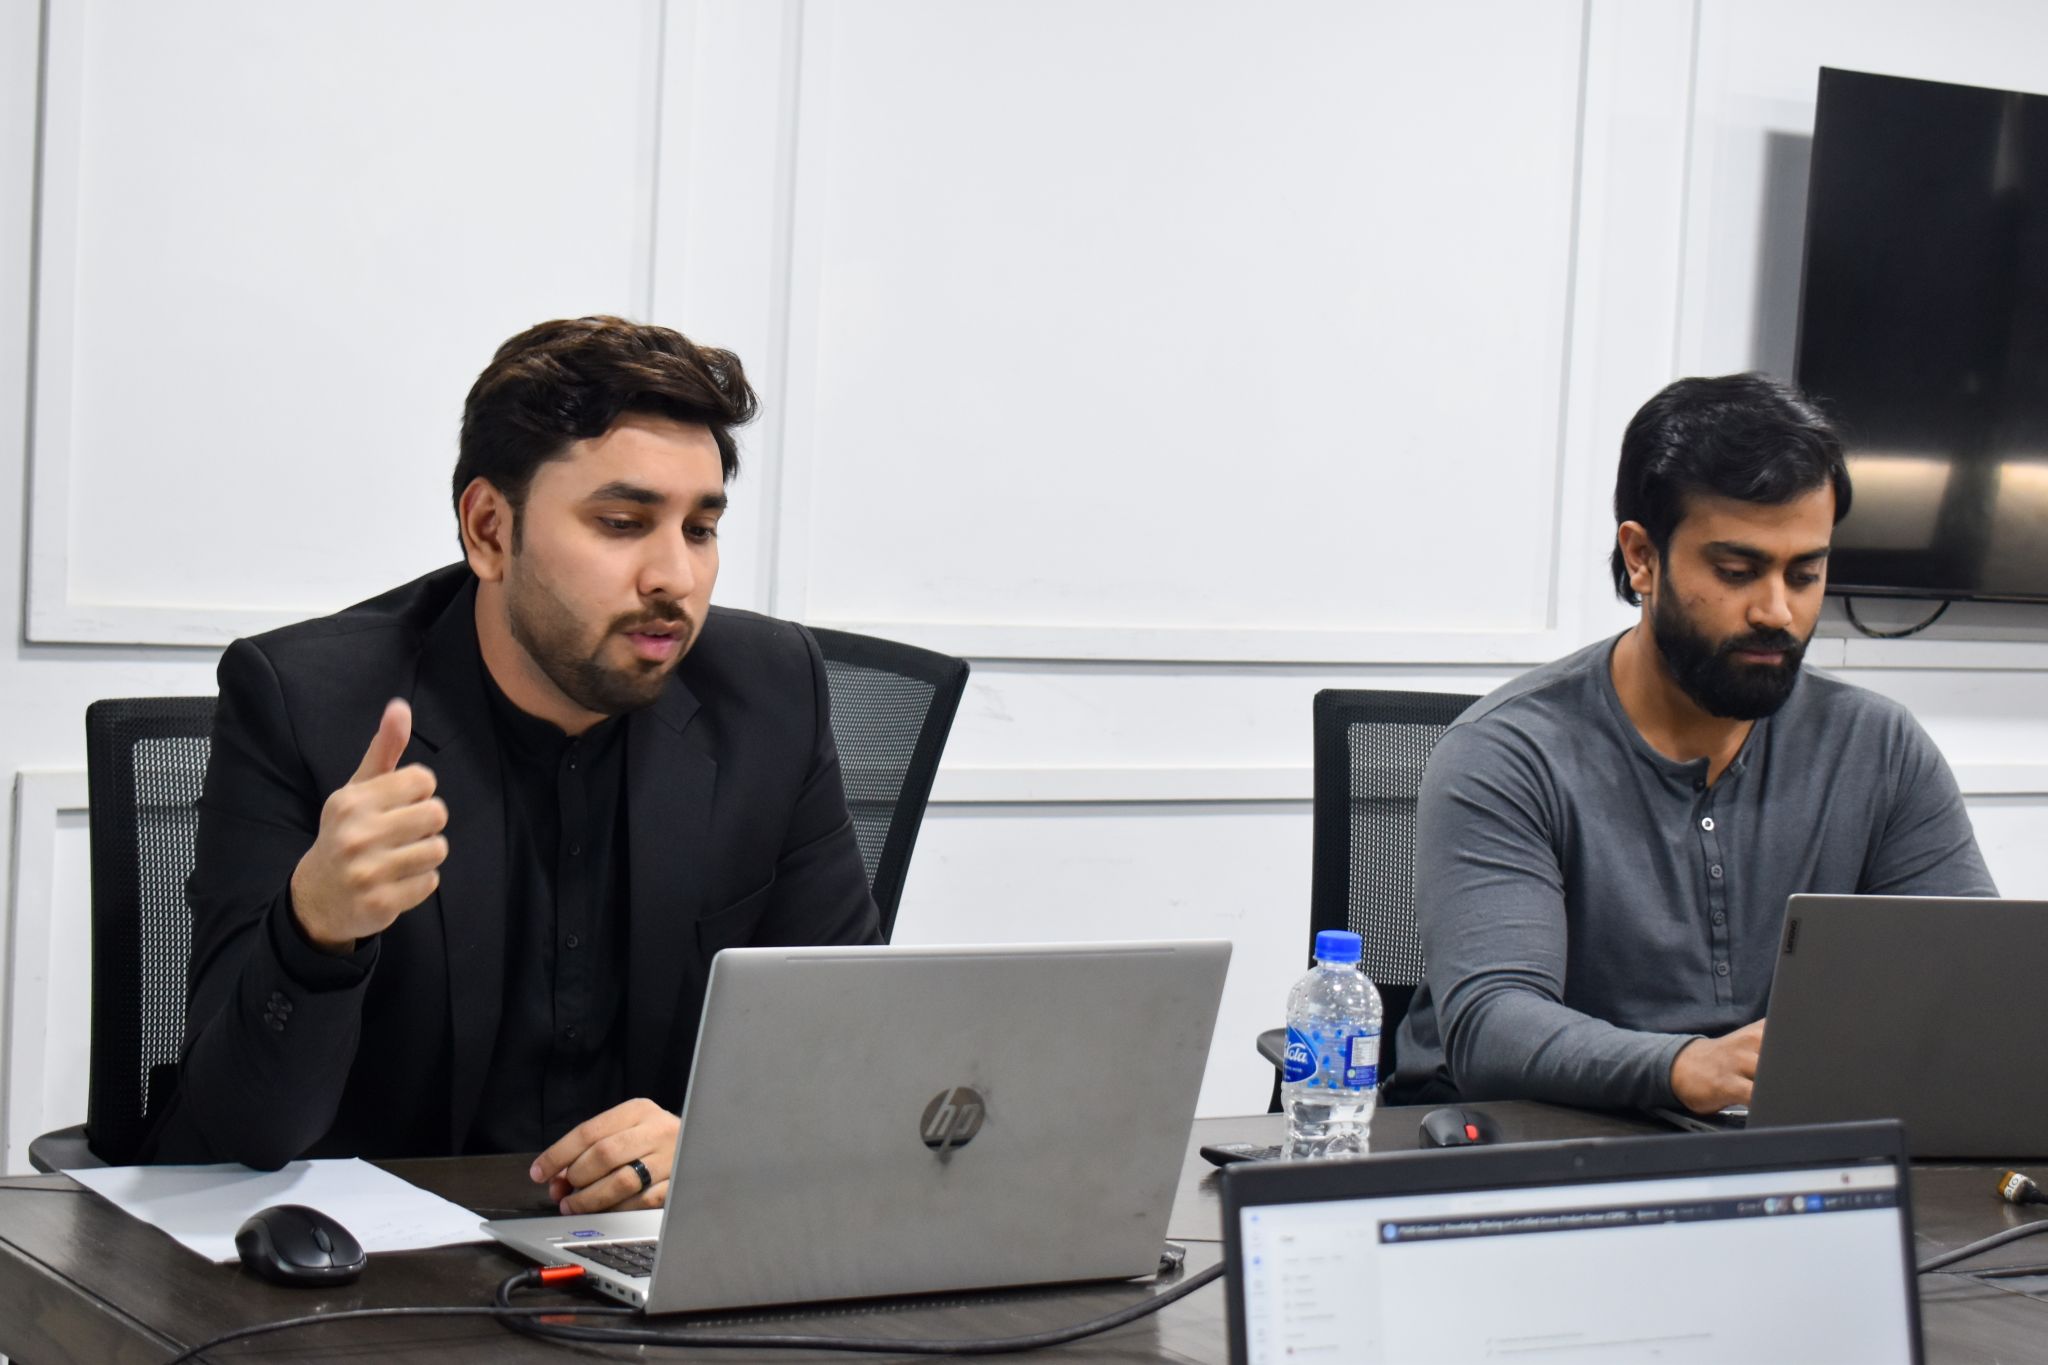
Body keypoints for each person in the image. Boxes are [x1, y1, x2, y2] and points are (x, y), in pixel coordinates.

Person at [146, 317, 880, 1214]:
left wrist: (718, 1141)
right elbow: (242, 1126)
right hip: (379, 1257)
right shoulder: (310, 705)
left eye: (700, 528)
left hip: (639, 1255)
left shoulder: (770, 694)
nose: (675, 576)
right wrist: (317, 928)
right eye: (623, 523)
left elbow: (850, 1048)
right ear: (490, 529)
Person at [1395, 373, 1995, 1113]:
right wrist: (1682, 1067)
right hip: (1544, 1139)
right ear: (1642, 558)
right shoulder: (1508, 753)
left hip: (1781, 1142)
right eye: (1737, 572)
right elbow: (1494, 1026)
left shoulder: (1880, 748)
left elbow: (1973, 990)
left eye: (1805, 573)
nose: (1778, 611)